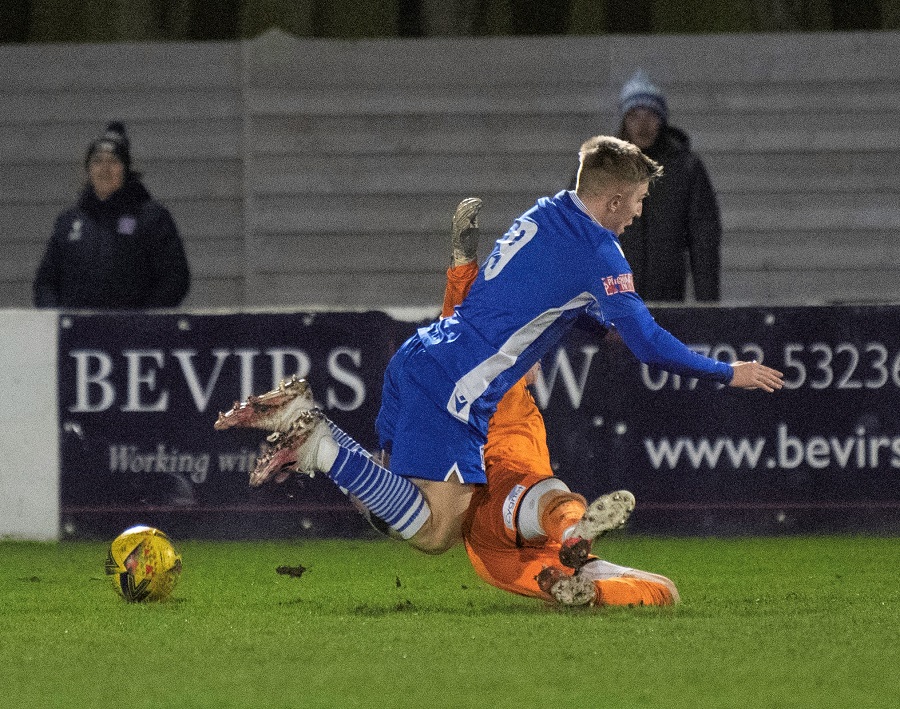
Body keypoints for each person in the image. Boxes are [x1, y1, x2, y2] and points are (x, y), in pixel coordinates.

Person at [215, 134, 783, 566]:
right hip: (460, 384)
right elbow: (650, 345)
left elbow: (532, 298)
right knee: (437, 531)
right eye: (636, 200)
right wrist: (728, 372)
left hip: (422, 354)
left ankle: (311, 436)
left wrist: (589, 323)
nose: (638, 212)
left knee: (384, 504)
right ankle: (315, 441)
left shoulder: (545, 212)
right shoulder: (602, 254)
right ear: (611, 199)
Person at [576, 70, 722, 302]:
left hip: (667, 300)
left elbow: (704, 240)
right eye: (634, 115)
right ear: (624, 120)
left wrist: (708, 305)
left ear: (662, 119)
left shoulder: (685, 168)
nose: (643, 125)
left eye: (651, 115)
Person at [33, 121, 190, 309]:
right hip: (77, 333)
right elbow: (45, 282)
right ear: (88, 170)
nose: (104, 169)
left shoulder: (151, 218)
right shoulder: (69, 221)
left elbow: (175, 278)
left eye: (113, 161)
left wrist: (144, 321)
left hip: (134, 333)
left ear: (126, 170)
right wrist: (56, 317)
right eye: (97, 161)